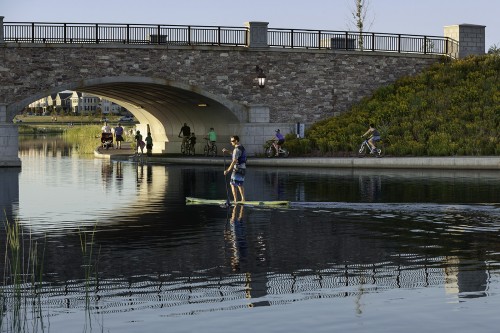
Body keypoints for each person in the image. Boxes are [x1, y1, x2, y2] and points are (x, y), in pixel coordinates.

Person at [222, 135, 247, 203]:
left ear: (236, 141)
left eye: (232, 141)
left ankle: (235, 200)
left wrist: (227, 170)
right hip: (243, 169)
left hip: (237, 169)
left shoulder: (236, 149)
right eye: (231, 141)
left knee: (232, 184)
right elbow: (235, 154)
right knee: (240, 184)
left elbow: (234, 161)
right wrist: (227, 151)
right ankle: (243, 199)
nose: (231, 142)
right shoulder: (242, 147)